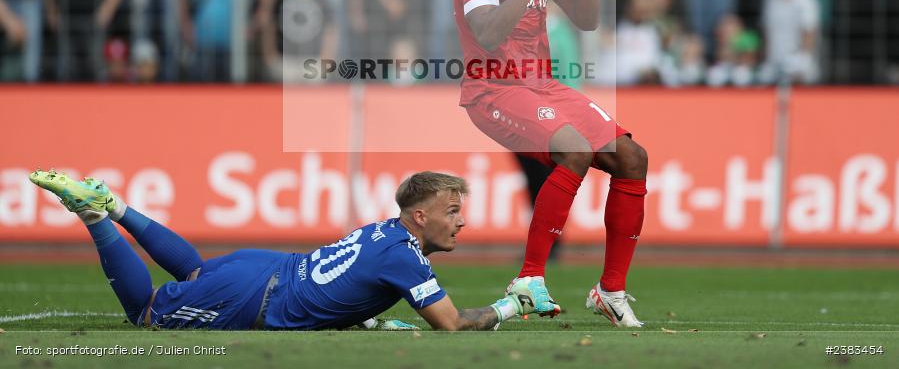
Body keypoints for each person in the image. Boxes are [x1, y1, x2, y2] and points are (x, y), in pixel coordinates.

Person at [452, 0, 649, 328]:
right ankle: (529, 278)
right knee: (575, 151)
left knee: (632, 157)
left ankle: (611, 292)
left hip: (541, 84)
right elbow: (486, 35)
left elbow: (586, 19)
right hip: (493, 89)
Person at [29, 169, 555, 331]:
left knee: (192, 270)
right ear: (420, 218)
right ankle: (97, 216)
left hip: (264, 266)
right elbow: (452, 324)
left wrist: (367, 320)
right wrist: (513, 304)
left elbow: (344, 284)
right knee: (145, 315)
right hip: (254, 294)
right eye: (452, 213)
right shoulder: (405, 256)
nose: (461, 222)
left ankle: (119, 206)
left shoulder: (381, 232)